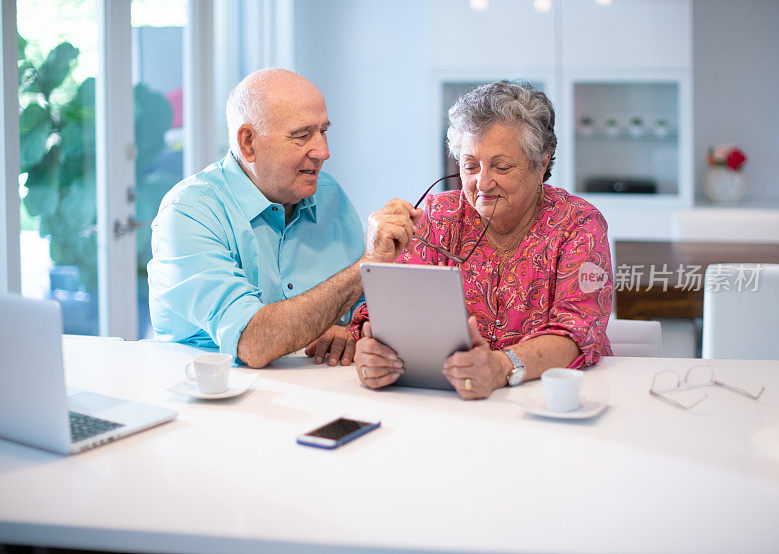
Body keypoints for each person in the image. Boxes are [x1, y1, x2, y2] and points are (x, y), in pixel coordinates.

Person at [351, 80, 613, 399]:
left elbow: (577, 333)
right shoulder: (437, 217)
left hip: (549, 399)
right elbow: (390, 310)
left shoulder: (579, 224)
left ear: (541, 163)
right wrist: (372, 349)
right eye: (470, 165)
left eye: (501, 167)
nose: (482, 183)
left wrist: (501, 367)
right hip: (450, 402)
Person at [148, 68, 420, 368]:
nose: (323, 152)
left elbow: (361, 308)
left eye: (324, 131)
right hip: (213, 401)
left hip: (318, 392)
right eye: (302, 136)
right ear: (248, 143)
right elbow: (252, 343)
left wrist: (349, 332)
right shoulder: (189, 212)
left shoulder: (330, 194)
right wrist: (368, 265)